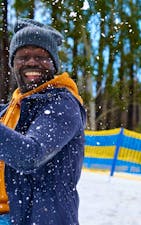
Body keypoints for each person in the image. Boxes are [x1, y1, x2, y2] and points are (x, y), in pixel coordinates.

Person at [0, 18, 86, 225]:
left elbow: (30, 154)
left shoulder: (62, 104)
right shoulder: (9, 110)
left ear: (54, 64)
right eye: (23, 56)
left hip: (38, 219)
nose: (31, 62)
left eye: (41, 56)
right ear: (13, 64)